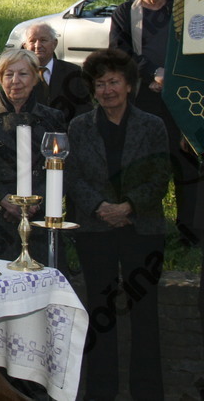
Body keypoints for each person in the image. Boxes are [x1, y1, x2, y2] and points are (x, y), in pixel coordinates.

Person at [65, 49, 168, 400]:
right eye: (100, 84)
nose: (107, 90)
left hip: (143, 230)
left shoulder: (153, 126)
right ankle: (100, 392)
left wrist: (129, 206)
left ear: (128, 86)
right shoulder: (79, 127)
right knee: (100, 311)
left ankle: (148, 393)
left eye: (113, 82)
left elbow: (160, 176)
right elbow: (73, 177)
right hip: (95, 231)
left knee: (145, 313)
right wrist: (100, 207)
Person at [110, 0, 200, 243]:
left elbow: (195, 50)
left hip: (183, 101)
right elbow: (120, 53)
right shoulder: (125, 12)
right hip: (143, 101)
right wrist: (153, 74)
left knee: (187, 165)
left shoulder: (183, 11)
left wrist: (172, 78)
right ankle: (145, 229)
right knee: (144, 166)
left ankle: (190, 233)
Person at [0, 49, 64, 263]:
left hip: (37, 218)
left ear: (35, 78)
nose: (15, 81)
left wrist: (31, 203)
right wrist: (5, 199)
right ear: (0, 79)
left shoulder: (52, 117)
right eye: (8, 74)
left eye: (23, 74)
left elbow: (59, 167)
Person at [21, 23, 91, 125]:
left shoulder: (73, 72)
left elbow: (85, 109)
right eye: (32, 41)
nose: (37, 45)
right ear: (25, 46)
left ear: (54, 43)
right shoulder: (18, 74)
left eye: (43, 40)